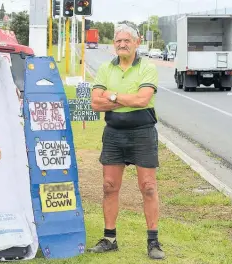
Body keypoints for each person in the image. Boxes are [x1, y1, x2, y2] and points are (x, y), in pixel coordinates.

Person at [88, 23, 165, 260]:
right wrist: (124, 99)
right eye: (118, 41)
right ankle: (109, 238)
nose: (122, 44)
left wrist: (110, 96)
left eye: (127, 41)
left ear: (136, 42)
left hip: (142, 132)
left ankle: (153, 241)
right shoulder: (104, 68)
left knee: (148, 187)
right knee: (109, 186)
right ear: (114, 44)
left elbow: (143, 100)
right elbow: (95, 103)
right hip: (113, 133)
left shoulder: (147, 68)